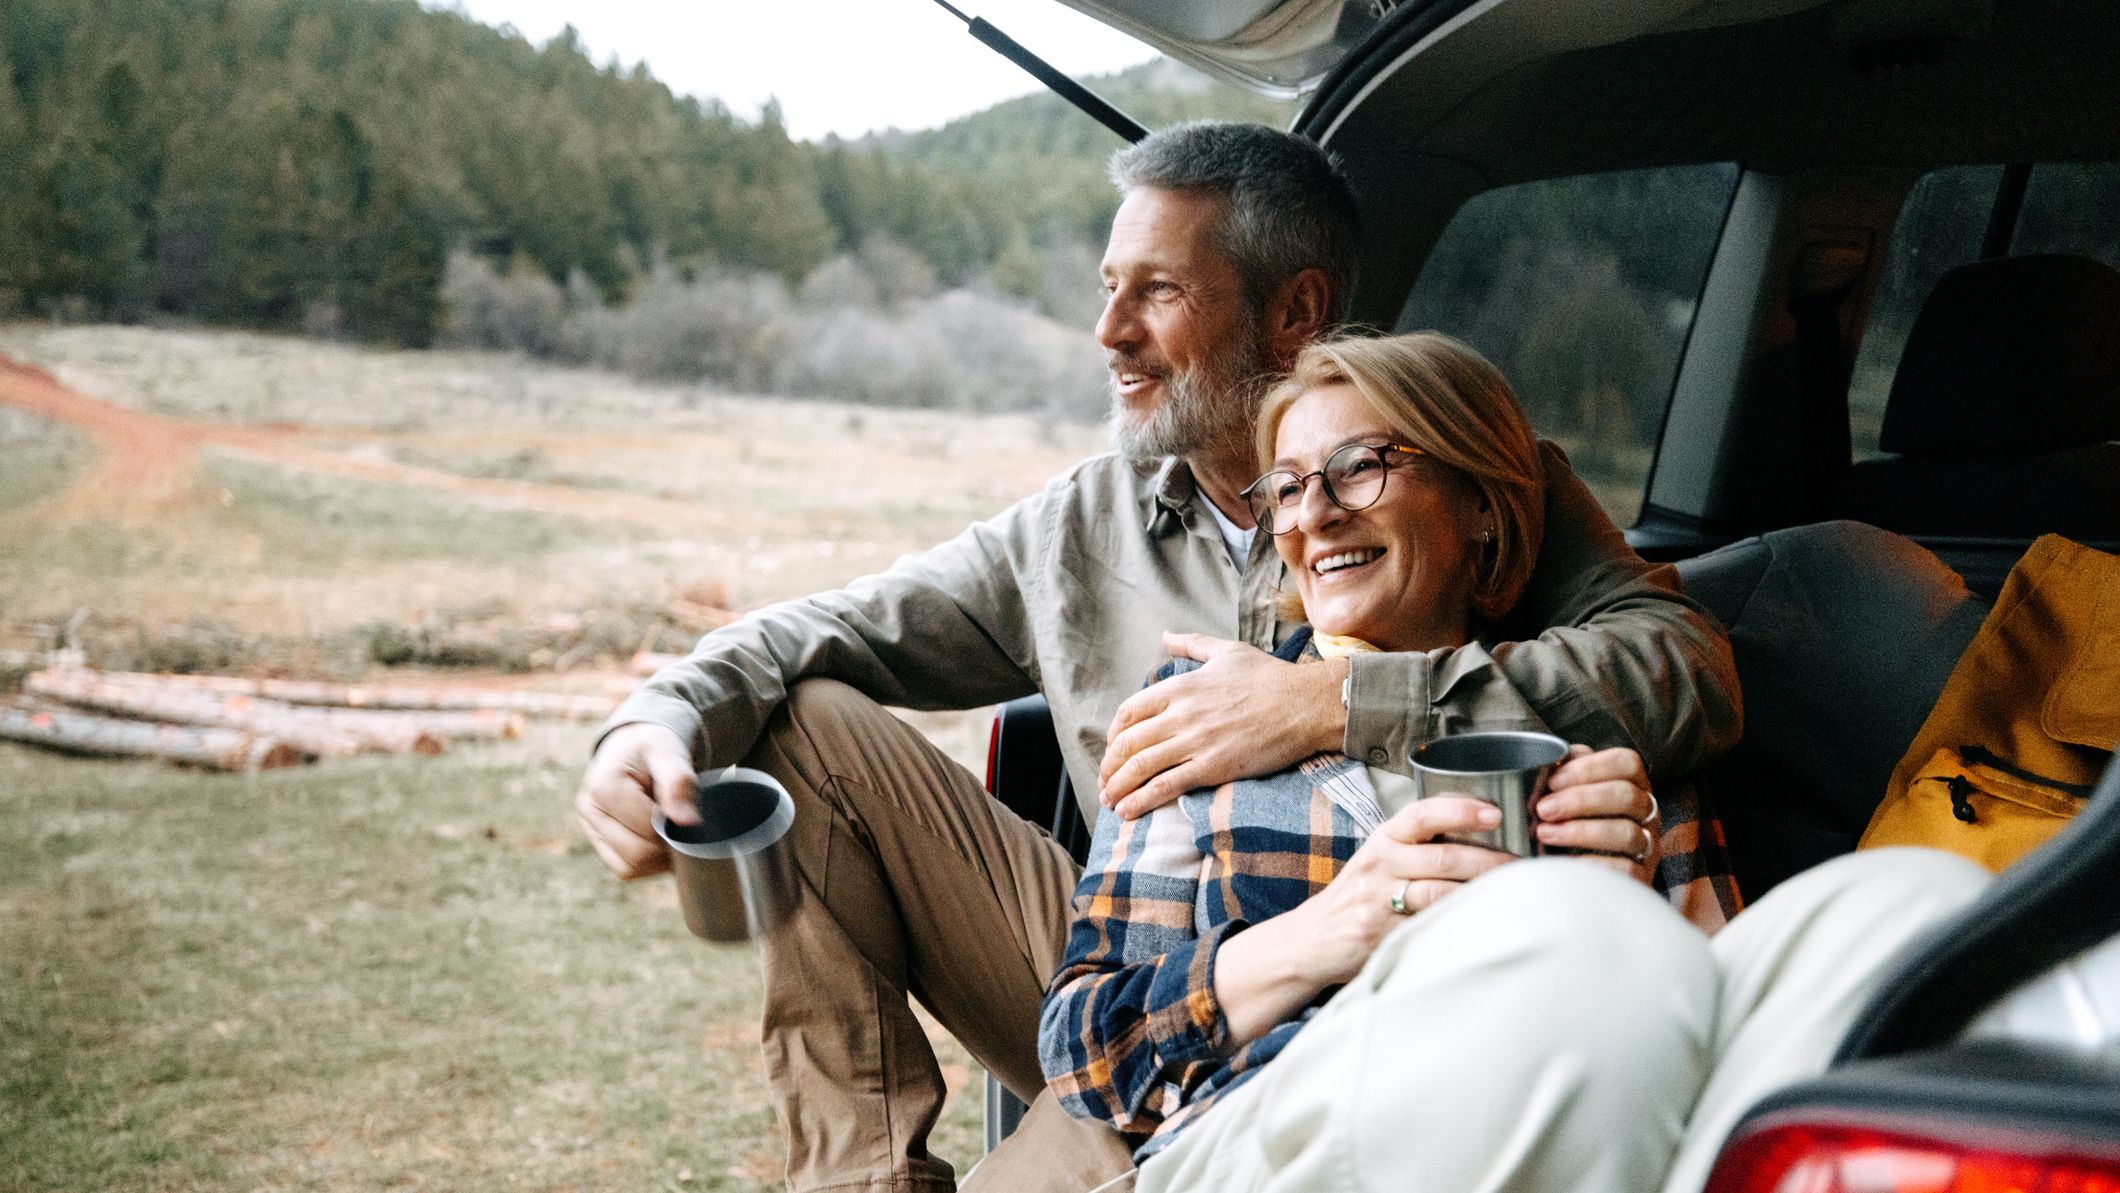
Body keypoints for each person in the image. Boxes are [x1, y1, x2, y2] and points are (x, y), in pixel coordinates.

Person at [576, 121, 1742, 1193]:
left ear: (1294, 310)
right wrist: (655, 722)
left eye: (1157, 291)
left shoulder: (1458, 479)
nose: (1108, 331)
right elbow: (817, 629)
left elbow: (1676, 672)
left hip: (1406, 993)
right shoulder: (1077, 526)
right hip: (1125, 970)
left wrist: (1328, 702)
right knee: (802, 722)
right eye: (1105, 290)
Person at [1040, 332, 1992, 1193]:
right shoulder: (1204, 716)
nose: (1314, 514)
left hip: (1617, 1127)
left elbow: (1720, 1013)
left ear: (1483, 511)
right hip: (1279, 1126)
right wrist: (1334, 926)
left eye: (1359, 468)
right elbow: (1084, 1051)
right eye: (1286, 487)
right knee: (1571, 932)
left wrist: (1635, 898)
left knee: (1916, 904)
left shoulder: (1598, 719)